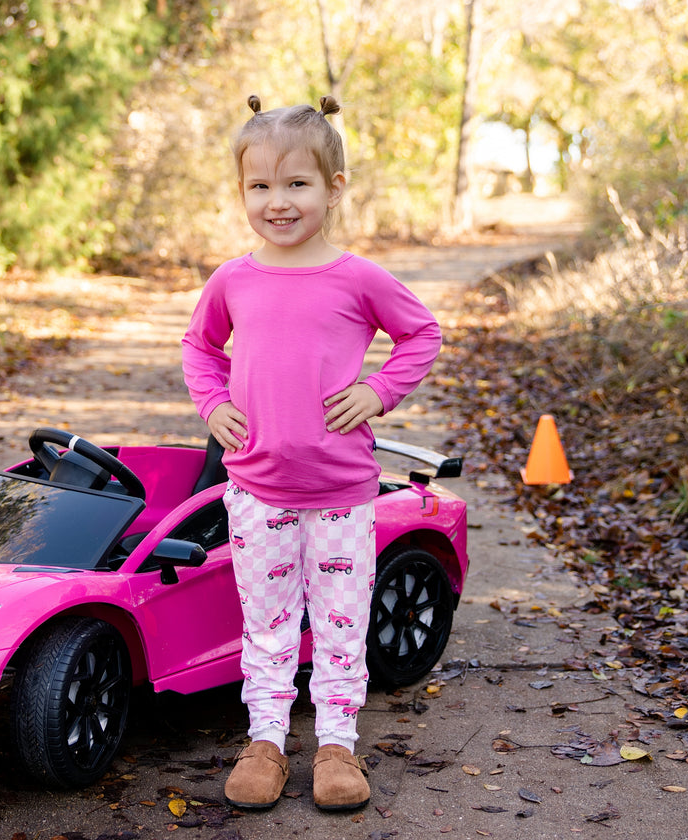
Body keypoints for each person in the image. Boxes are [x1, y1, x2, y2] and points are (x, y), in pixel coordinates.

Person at [182, 94, 441, 812]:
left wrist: (380, 391)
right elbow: (200, 347)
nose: (278, 202)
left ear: (335, 186)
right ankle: (265, 741)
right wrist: (215, 405)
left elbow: (421, 334)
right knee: (265, 627)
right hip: (257, 493)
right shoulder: (233, 278)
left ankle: (335, 747)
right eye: (259, 186)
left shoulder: (357, 277)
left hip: (340, 495)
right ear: (242, 192)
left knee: (337, 626)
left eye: (296, 184)